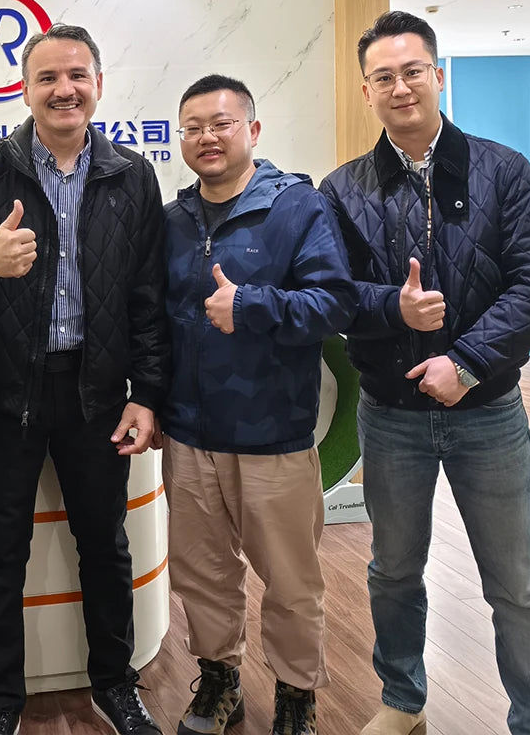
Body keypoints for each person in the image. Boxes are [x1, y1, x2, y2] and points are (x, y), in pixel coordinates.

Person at [320, 11, 530, 735]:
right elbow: (332, 295)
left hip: (489, 414)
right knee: (393, 572)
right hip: (390, 417)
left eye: (412, 72)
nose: (400, 87)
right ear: (366, 91)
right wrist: (394, 309)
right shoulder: (343, 189)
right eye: (383, 77)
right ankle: (403, 702)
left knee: (518, 583)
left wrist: (466, 362)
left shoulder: (503, 170)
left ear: (437, 76)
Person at [0, 23, 170, 735]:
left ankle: (115, 684)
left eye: (78, 75)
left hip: (99, 397)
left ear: (99, 85)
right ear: (25, 90)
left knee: (106, 547)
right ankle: (0, 701)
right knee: (1, 553)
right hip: (5, 395)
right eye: (48, 78)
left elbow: (148, 297)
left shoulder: (130, 175)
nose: (65, 90)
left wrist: (148, 394)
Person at [161, 75, 355, 735]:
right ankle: (220, 681)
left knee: (292, 581)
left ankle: (298, 694)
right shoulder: (174, 221)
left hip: (274, 434)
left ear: (253, 129)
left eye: (221, 123)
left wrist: (250, 304)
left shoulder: (297, 208)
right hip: (190, 435)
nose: (207, 137)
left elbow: (334, 304)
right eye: (192, 127)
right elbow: (154, 321)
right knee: (201, 574)